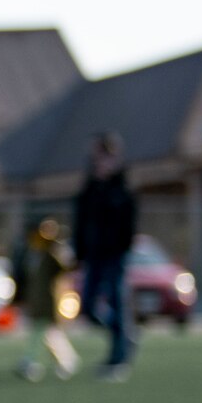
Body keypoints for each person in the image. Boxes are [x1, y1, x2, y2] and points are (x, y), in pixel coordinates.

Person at [74, 131, 138, 380]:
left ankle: (119, 358)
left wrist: (122, 248)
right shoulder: (90, 189)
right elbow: (81, 223)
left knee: (116, 301)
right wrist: (79, 253)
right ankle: (125, 336)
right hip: (93, 256)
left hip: (115, 256)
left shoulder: (122, 190)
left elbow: (128, 225)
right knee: (88, 306)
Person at [11, 216, 79, 382]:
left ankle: (59, 361)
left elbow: (66, 268)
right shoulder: (30, 253)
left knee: (48, 332)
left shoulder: (52, 252)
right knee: (43, 331)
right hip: (36, 299)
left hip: (50, 299)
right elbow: (23, 277)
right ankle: (44, 362)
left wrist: (57, 247)